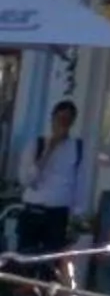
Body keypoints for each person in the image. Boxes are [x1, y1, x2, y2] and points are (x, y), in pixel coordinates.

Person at [18, 100, 87, 258]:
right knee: (26, 259)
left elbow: (80, 184)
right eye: (59, 119)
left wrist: (77, 216)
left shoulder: (77, 148)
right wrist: (49, 150)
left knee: (51, 261)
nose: (62, 125)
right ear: (52, 120)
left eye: (67, 121)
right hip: (34, 210)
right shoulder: (37, 145)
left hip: (58, 214)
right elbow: (27, 181)